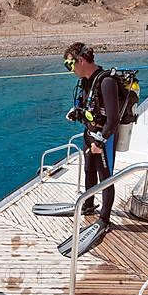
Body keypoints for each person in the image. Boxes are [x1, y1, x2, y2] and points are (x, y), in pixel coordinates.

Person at [58, 42, 120, 257]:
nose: (70, 70)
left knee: (105, 178)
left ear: (81, 61)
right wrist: (77, 114)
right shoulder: (86, 82)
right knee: (88, 171)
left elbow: (113, 119)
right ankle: (88, 205)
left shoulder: (107, 82)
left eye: (69, 65)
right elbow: (89, 109)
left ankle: (104, 218)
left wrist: (101, 142)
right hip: (89, 135)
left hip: (104, 139)